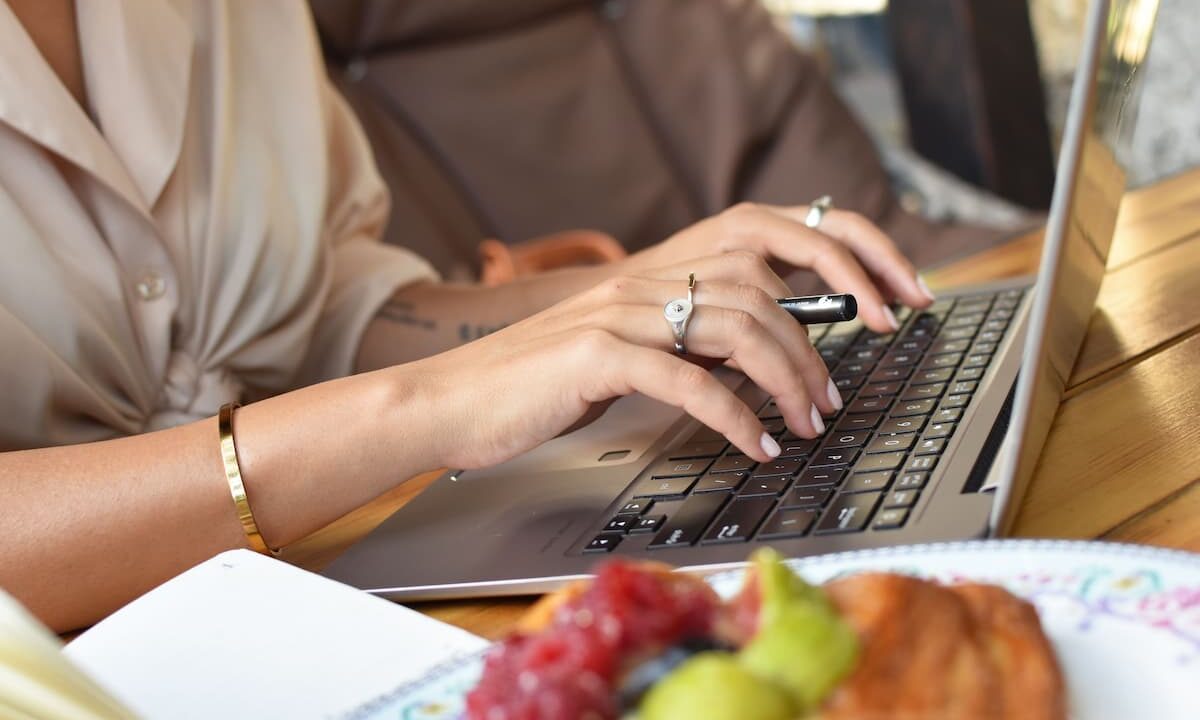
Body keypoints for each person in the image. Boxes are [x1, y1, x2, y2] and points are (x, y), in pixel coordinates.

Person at [0, 0, 933, 633]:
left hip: (319, 592)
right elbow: (410, 397)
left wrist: (621, 298)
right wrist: (422, 408)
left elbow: (319, 310)